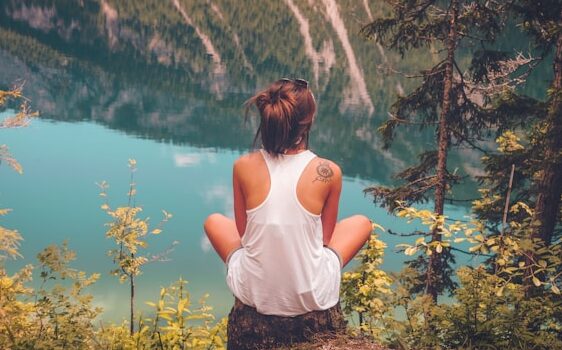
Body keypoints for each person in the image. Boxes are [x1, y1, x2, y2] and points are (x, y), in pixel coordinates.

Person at [204, 78, 372, 316]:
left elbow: (244, 235)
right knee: (361, 223)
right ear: (308, 122)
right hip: (312, 294)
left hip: (253, 291)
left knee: (214, 221)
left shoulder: (243, 165)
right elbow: (324, 240)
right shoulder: (329, 171)